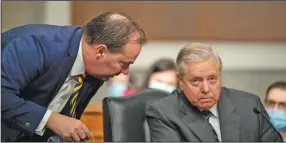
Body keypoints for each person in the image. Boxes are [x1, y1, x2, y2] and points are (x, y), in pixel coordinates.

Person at [1, 11, 147, 142]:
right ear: (101, 51)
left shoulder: (94, 69)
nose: (126, 71)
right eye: (123, 63)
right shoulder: (34, 45)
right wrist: (49, 119)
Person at [145, 43, 283, 142]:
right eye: (196, 81)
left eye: (212, 79)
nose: (206, 89)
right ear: (180, 81)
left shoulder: (249, 106)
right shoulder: (163, 113)